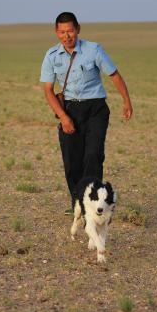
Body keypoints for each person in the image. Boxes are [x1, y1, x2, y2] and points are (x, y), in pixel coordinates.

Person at [40, 12, 133, 212]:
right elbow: (48, 90)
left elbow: (114, 75)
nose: (67, 36)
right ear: (56, 32)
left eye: (70, 31)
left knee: (93, 155)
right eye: (62, 32)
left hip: (95, 109)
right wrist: (64, 117)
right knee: (72, 160)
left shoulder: (94, 49)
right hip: (70, 110)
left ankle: (92, 203)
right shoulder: (51, 56)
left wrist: (126, 100)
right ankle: (77, 205)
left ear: (78, 29)